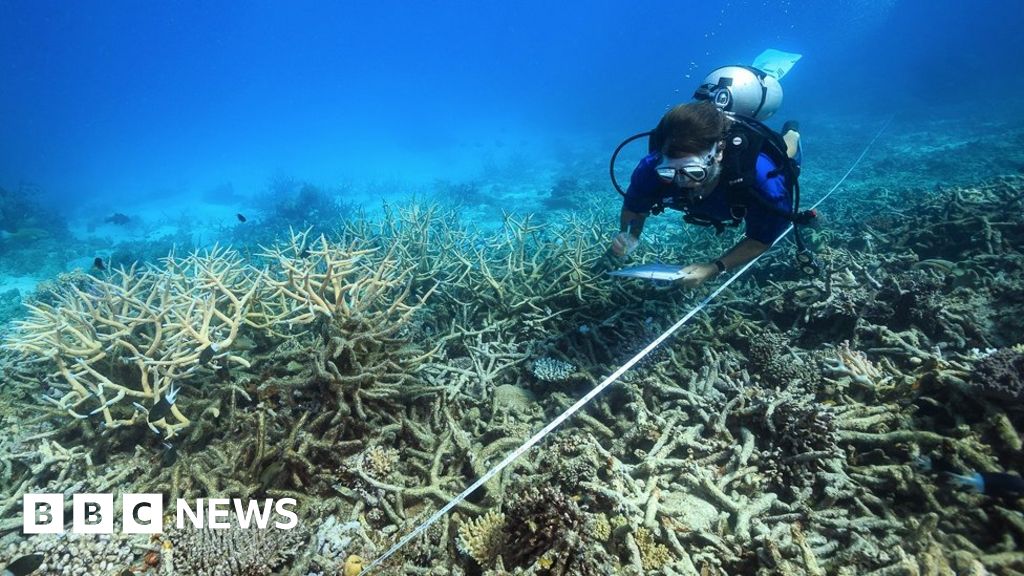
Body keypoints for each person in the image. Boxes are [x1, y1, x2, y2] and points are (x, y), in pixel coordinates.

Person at [608, 66, 807, 288]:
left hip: (765, 160)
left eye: (694, 172)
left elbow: (761, 240)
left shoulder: (762, 179)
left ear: (719, 153)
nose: (682, 181)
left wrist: (713, 268)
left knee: (787, 153)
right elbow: (635, 209)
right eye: (669, 172)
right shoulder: (650, 168)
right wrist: (630, 236)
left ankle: (792, 132)